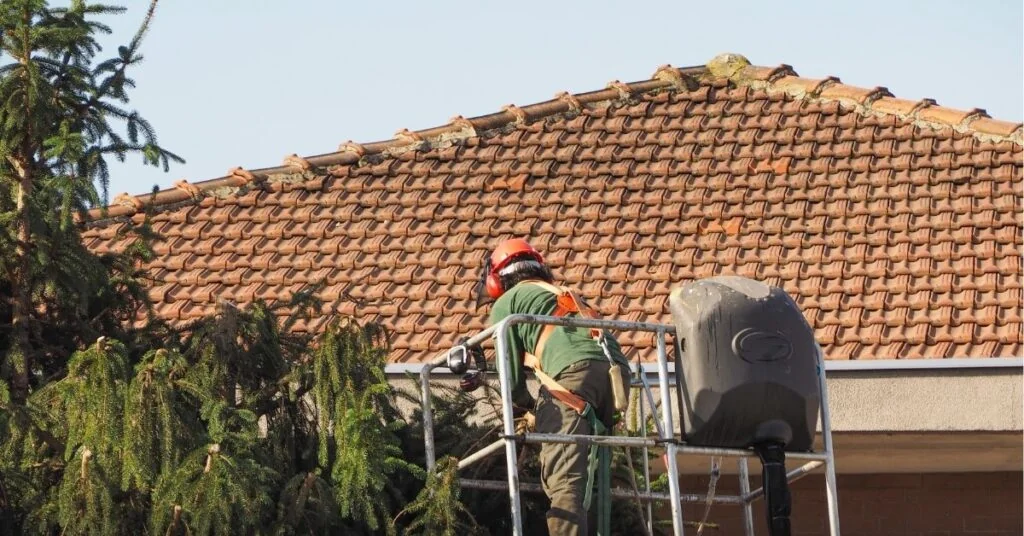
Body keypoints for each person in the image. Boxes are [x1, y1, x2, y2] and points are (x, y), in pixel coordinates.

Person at [471, 238, 631, 536]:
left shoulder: (507, 302)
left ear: (496, 279)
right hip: (616, 374)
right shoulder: (564, 295)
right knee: (595, 472)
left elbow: (511, 380)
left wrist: (526, 408)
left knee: (565, 480)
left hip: (573, 376)